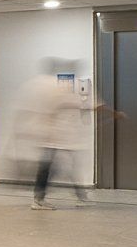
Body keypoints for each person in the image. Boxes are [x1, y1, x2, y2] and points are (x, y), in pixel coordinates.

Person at [21, 60, 116, 208]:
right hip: (53, 137)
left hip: (61, 137)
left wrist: (112, 112)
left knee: (66, 166)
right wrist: (114, 113)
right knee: (52, 168)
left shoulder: (58, 88)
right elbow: (89, 105)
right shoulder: (54, 89)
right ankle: (40, 199)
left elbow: (90, 105)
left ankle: (78, 197)